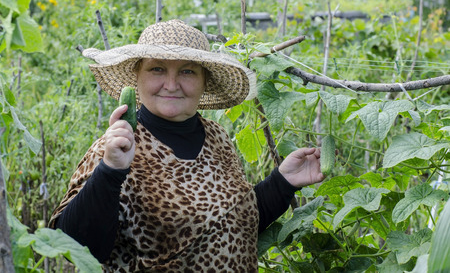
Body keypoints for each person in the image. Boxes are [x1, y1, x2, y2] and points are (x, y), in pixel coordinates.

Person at [49, 19, 325, 272]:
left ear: (204, 81)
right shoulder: (119, 146)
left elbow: (232, 223)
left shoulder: (217, 137)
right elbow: (77, 247)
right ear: (137, 77)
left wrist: (283, 181)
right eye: (157, 69)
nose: (171, 84)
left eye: (187, 71)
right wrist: (111, 170)